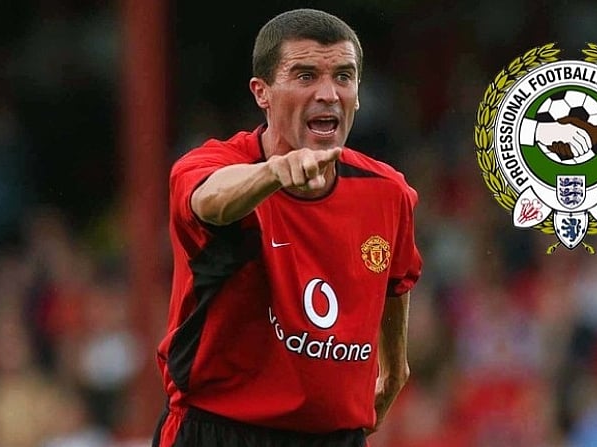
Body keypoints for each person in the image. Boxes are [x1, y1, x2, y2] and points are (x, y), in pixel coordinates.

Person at [152, 8, 422, 447]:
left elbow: (398, 277)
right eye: (305, 75)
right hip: (219, 431)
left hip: (334, 438)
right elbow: (209, 201)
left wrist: (395, 366)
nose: (329, 93)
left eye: (343, 76)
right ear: (262, 93)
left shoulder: (388, 192)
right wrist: (275, 173)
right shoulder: (217, 165)